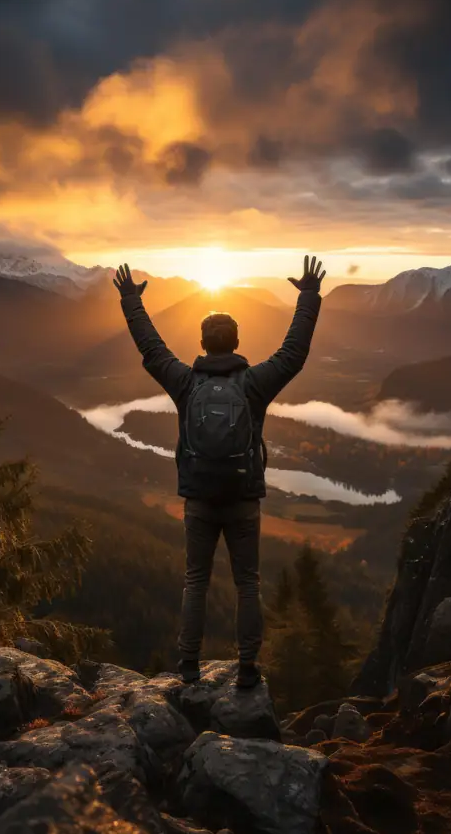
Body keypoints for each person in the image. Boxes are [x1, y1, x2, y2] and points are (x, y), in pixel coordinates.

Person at [114, 256, 325, 688]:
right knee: (248, 583)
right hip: (243, 498)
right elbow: (294, 353)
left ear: (204, 343)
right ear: (236, 342)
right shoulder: (253, 384)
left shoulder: (186, 383)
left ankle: (188, 666)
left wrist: (131, 300)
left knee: (196, 581)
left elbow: (151, 348)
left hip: (199, 500)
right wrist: (308, 296)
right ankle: (247, 668)